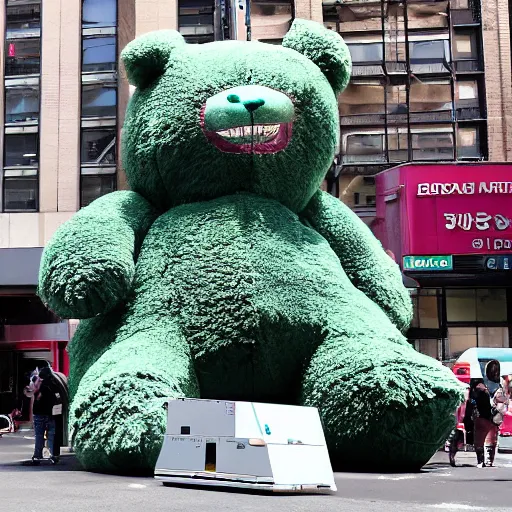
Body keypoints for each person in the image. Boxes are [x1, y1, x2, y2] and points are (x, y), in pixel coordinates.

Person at [30, 366, 59, 465]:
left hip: (38, 413)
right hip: (50, 413)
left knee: (39, 436)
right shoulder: (53, 384)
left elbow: (31, 392)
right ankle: (52, 455)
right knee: (51, 435)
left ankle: (37, 456)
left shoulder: (38, 383)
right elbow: (57, 398)